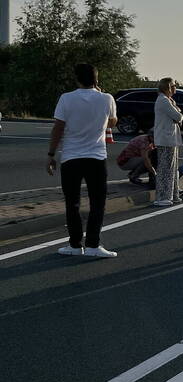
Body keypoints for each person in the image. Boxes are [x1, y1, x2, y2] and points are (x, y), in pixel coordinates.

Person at [46, 63, 118, 257]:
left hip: (71, 157)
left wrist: (51, 154)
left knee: (73, 202)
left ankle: (75, 245)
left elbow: (58, 127)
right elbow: (112, 122)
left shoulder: (66, 98)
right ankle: (94, 245)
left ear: (77, 78)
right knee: (97, 202)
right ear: (96, 79)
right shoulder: (107, 98)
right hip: (96, 157)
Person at [153, 77, 183, 206]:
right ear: (168, 87)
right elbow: (178, 116)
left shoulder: (168, 100)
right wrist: (179, 115)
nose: (175, 87)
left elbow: (178, 116)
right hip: (166, 139)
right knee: (166, 169)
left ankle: (173, 194)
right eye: (174, 85)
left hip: (170, 139)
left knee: (172, 168)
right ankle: (163, 197)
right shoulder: (164, 101)